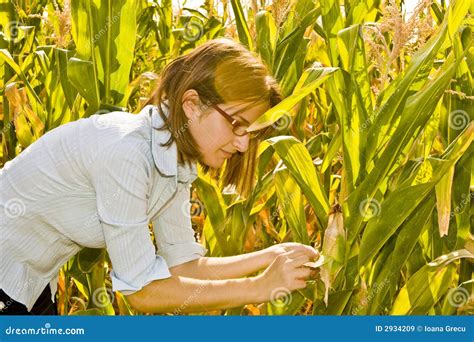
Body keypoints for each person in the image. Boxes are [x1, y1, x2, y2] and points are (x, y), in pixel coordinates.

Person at [0, 38, 319, 315]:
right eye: (237, 124)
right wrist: (260, 287)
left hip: (33, 283)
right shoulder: (129, 153)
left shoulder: (173, 158)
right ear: (192, 104)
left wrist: (270, 256)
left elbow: (182, 266)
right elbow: (142, 292)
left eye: (251, 132)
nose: (243, 143)